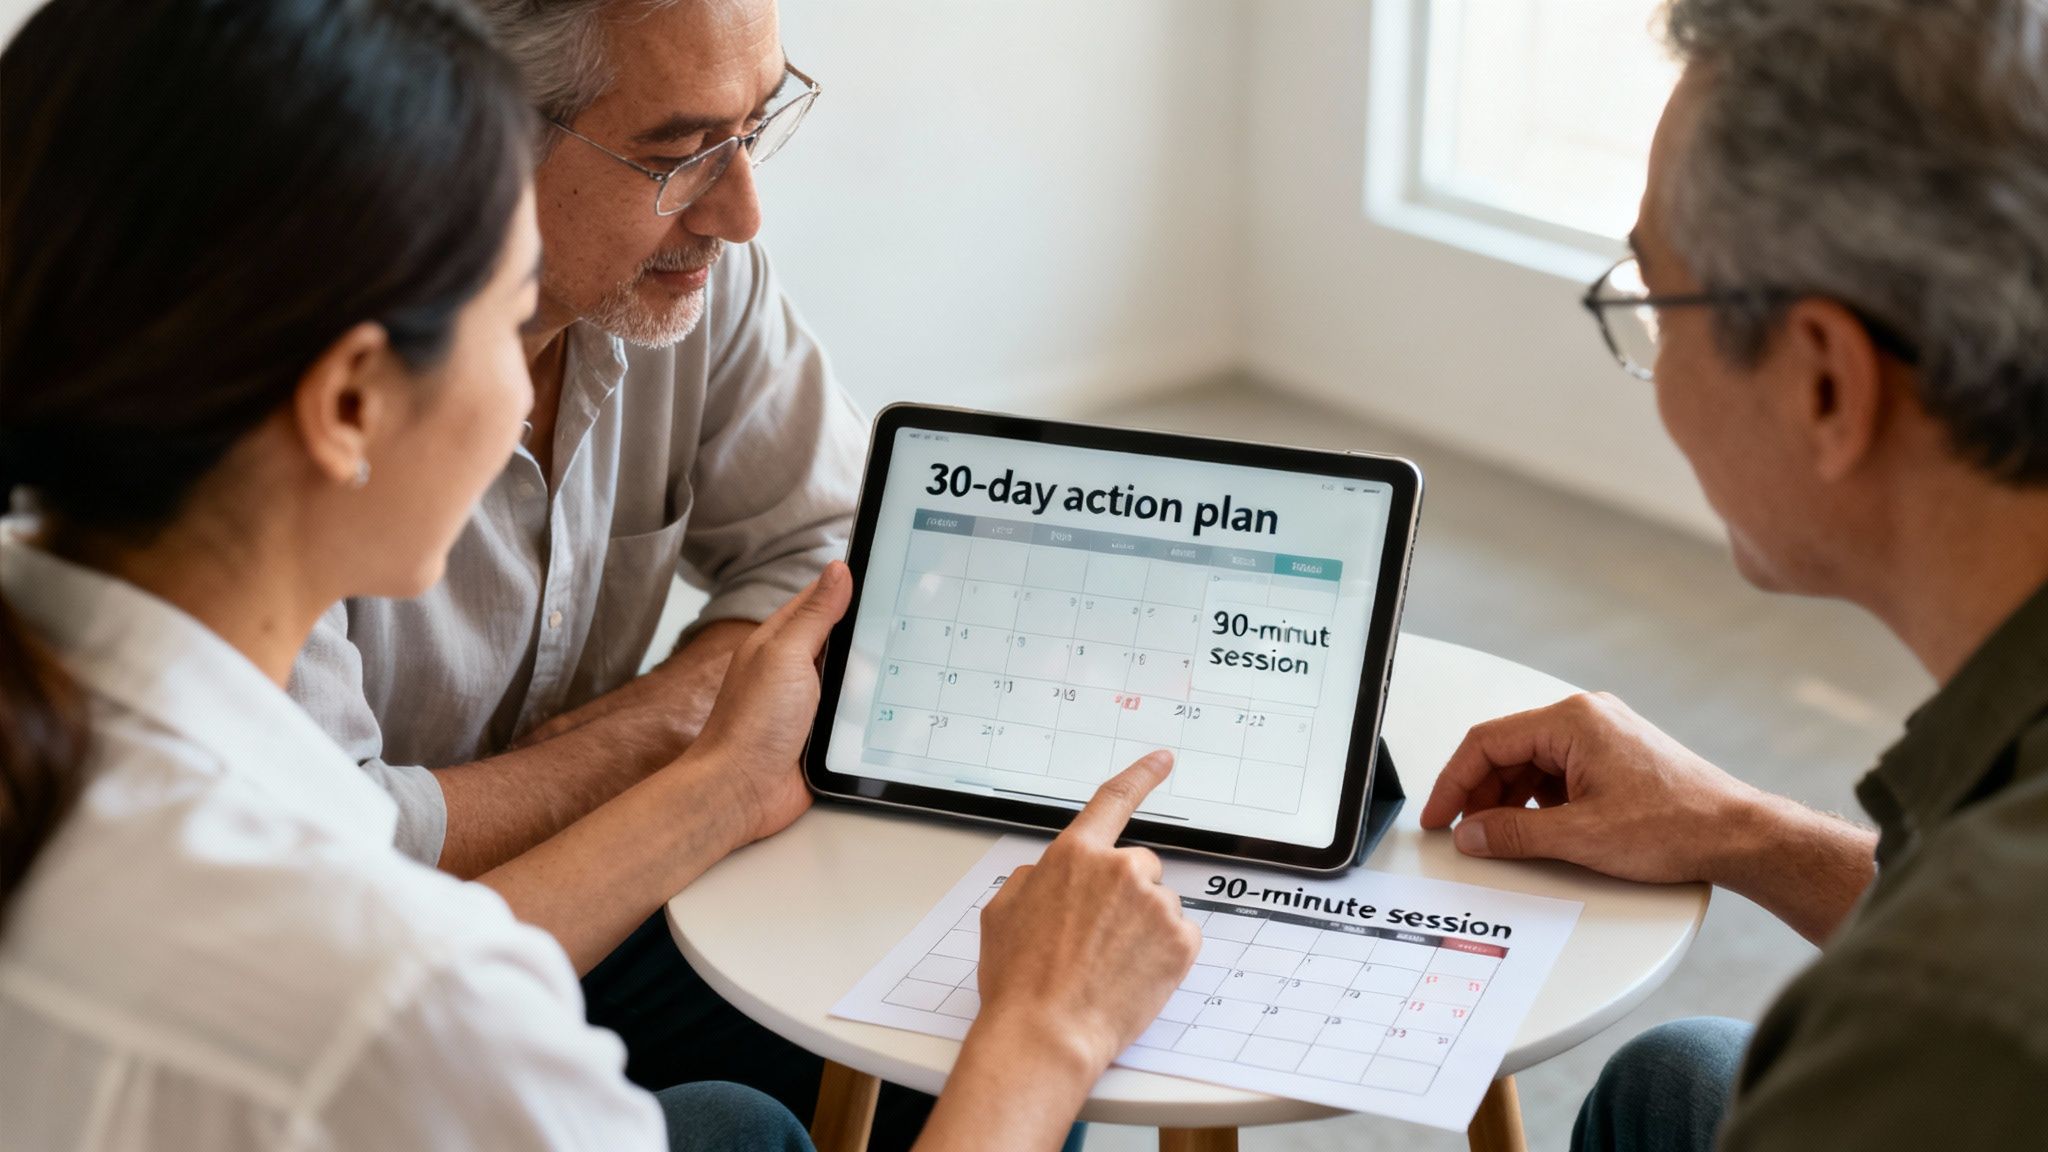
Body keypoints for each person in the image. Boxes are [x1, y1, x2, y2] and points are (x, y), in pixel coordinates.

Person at [0, 1, 1198, 1148]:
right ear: (351, 404)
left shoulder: (91, 742)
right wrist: (1043, 1034)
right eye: (503, 309)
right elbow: (410, 986)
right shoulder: (395, 1002)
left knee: (741, 1127)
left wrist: (719, 781)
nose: (526, 375)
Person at [281, 0, 929, 1133]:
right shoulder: (286, 407)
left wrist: (665, 734)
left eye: (755, 126)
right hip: (347, 969)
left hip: (564, 899)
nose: (741, 213)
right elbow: (339, 855)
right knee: (743, 1128)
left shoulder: (686, 277)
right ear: (466, 131)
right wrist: (679, 750)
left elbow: (842, 555)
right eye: (678, 155)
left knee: (943, 1009)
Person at [1420, 1, 2048, 1148]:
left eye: (1656, 299)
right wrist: (1741, 830)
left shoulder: (1945, 1019)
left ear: (1822, 385)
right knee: (1677, 1080)